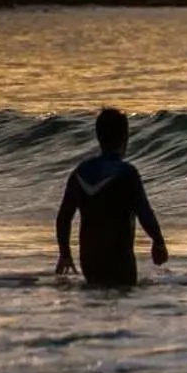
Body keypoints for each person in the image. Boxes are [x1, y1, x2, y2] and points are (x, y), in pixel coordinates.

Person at [56, 108, 168, 287]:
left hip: (90, 261)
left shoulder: (80, 172)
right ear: (125, 137)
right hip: (120, 261)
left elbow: (64, 217)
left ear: (98, 136)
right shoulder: (127, 173)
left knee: (95, 299)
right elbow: (144, 212)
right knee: (124, 299)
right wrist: (159, 242)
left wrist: (65, 254)